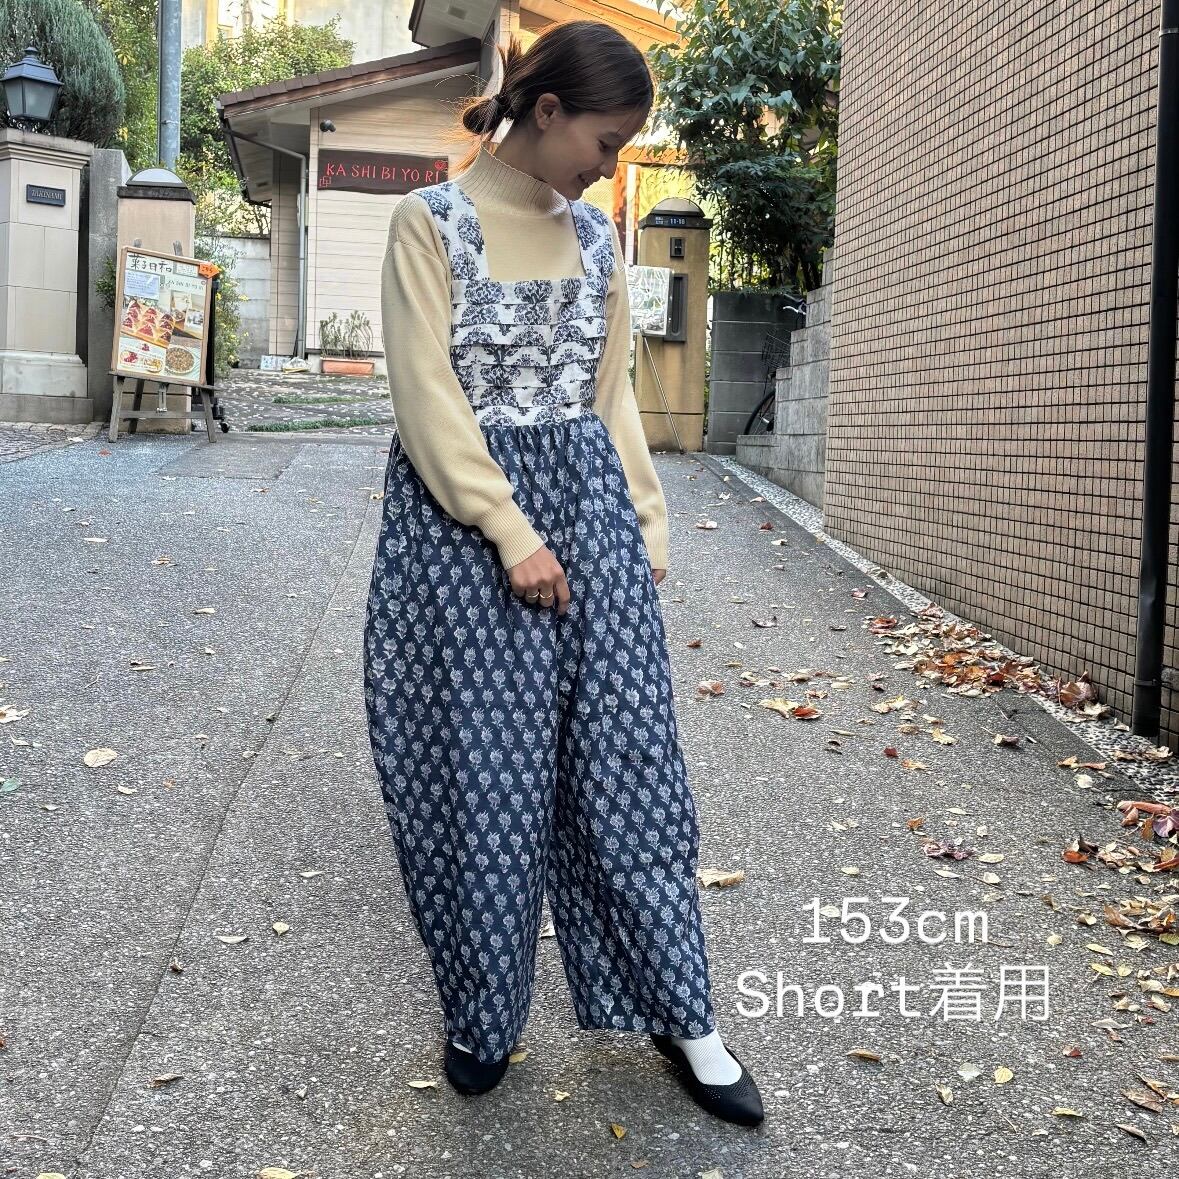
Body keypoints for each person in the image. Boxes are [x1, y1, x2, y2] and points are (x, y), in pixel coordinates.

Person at [362, 17, 764, 1128]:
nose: (611, 166)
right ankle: (483, 1015)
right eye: (607, 141)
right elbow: (426, 397)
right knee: (479, 780)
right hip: (461, 538)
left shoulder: (594, 238)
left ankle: (684, 1016)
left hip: (592, 523)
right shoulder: (429, 223)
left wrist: (645, 526)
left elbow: (611, 395)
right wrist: (507, 528)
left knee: (632, 772)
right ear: (546, 111)